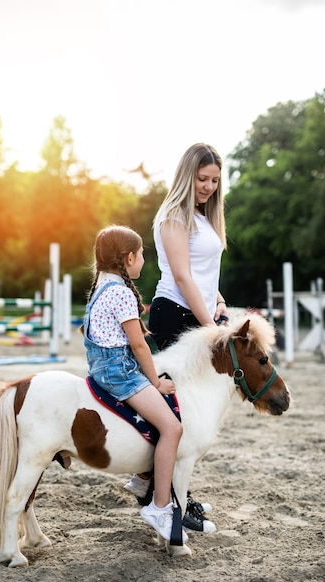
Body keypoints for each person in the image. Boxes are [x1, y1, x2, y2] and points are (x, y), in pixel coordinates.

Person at [125, 143, 228, 533]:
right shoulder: (173, 215)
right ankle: (151, 485)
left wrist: (217, 301)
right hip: (176, 313)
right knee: (177, 406)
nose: (208, 186)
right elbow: (182, 277)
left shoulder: (205, 216)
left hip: (199, 311)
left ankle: (170, 491)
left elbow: (204, 274)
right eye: (202, 179)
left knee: (192, 408)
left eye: (215, 180)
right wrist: (212, 328)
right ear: (188, 175)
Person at [82, 225, 187, 543]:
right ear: (129, 258)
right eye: (142, 255)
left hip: (99, 369)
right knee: (173, 428)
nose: (143, 261)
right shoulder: (121, 293)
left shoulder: (99, 288)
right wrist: (155, 382)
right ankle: (159, 506)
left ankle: (142, 478)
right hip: (121, 373)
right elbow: (139, 345)